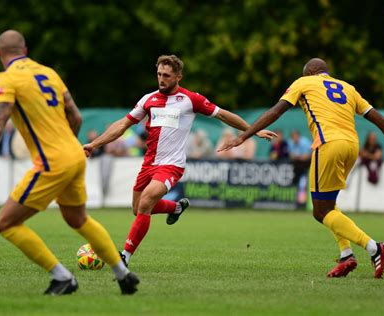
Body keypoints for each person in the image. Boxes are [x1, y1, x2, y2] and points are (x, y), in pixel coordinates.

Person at [0, 30, 139, 295]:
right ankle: (123, 274)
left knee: (6, 223)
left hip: (52, 161)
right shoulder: (49, 73)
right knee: (78, 218)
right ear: (26, 49)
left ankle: (62, 277)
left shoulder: (6, 78)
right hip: (75, 155)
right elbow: (75, 116)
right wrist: (68, 146)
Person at [218, 58, 384, 279]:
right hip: (352, 146)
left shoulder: (303, 82)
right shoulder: (348, 88)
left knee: (320, 212)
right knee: (330, 203)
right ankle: (346, 255)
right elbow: (381, 120)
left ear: (308, 73)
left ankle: (374, 247)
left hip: (328, 144)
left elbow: (276, 111)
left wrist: (244, 135)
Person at [83, 55, 276, 266]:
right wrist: (94, 145)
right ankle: (175, 208)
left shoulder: (190, 100)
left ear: (178, 77)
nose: (161, 79)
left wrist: (253, 131)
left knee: (146, 202)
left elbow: (223, 115)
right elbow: (122, 125)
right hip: (149, 163)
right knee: (137, 209)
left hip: (172, 165)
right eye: (159, 74)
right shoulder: (148, 100)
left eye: (166, 75)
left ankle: (124, 257)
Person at [288, 130, 312, 206]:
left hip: (307, 165)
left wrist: (298, 157)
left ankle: (302, 202)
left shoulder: (305, 142)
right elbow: (291, 155)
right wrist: (299, 157)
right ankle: (299, 201)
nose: (294, 139)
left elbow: (307, 156)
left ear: (299, 136)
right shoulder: (291, 143)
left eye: (295, 137)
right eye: (293, 137)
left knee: (303, 183)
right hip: (297, 166)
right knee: (298, 183)